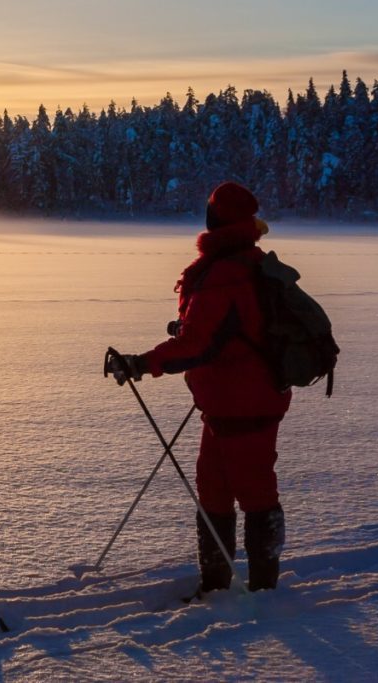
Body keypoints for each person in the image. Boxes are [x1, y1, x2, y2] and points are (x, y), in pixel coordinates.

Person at [108, 181, 291, 593]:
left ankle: (264, 592)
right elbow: (223, 329)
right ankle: (216, 586)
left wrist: (142, 363)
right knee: (214, 491)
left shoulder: (226, 273)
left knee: (255, 493)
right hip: (229, 401)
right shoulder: (245, 262)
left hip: (246, 402)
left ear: (216, 220)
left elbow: (198, 344)